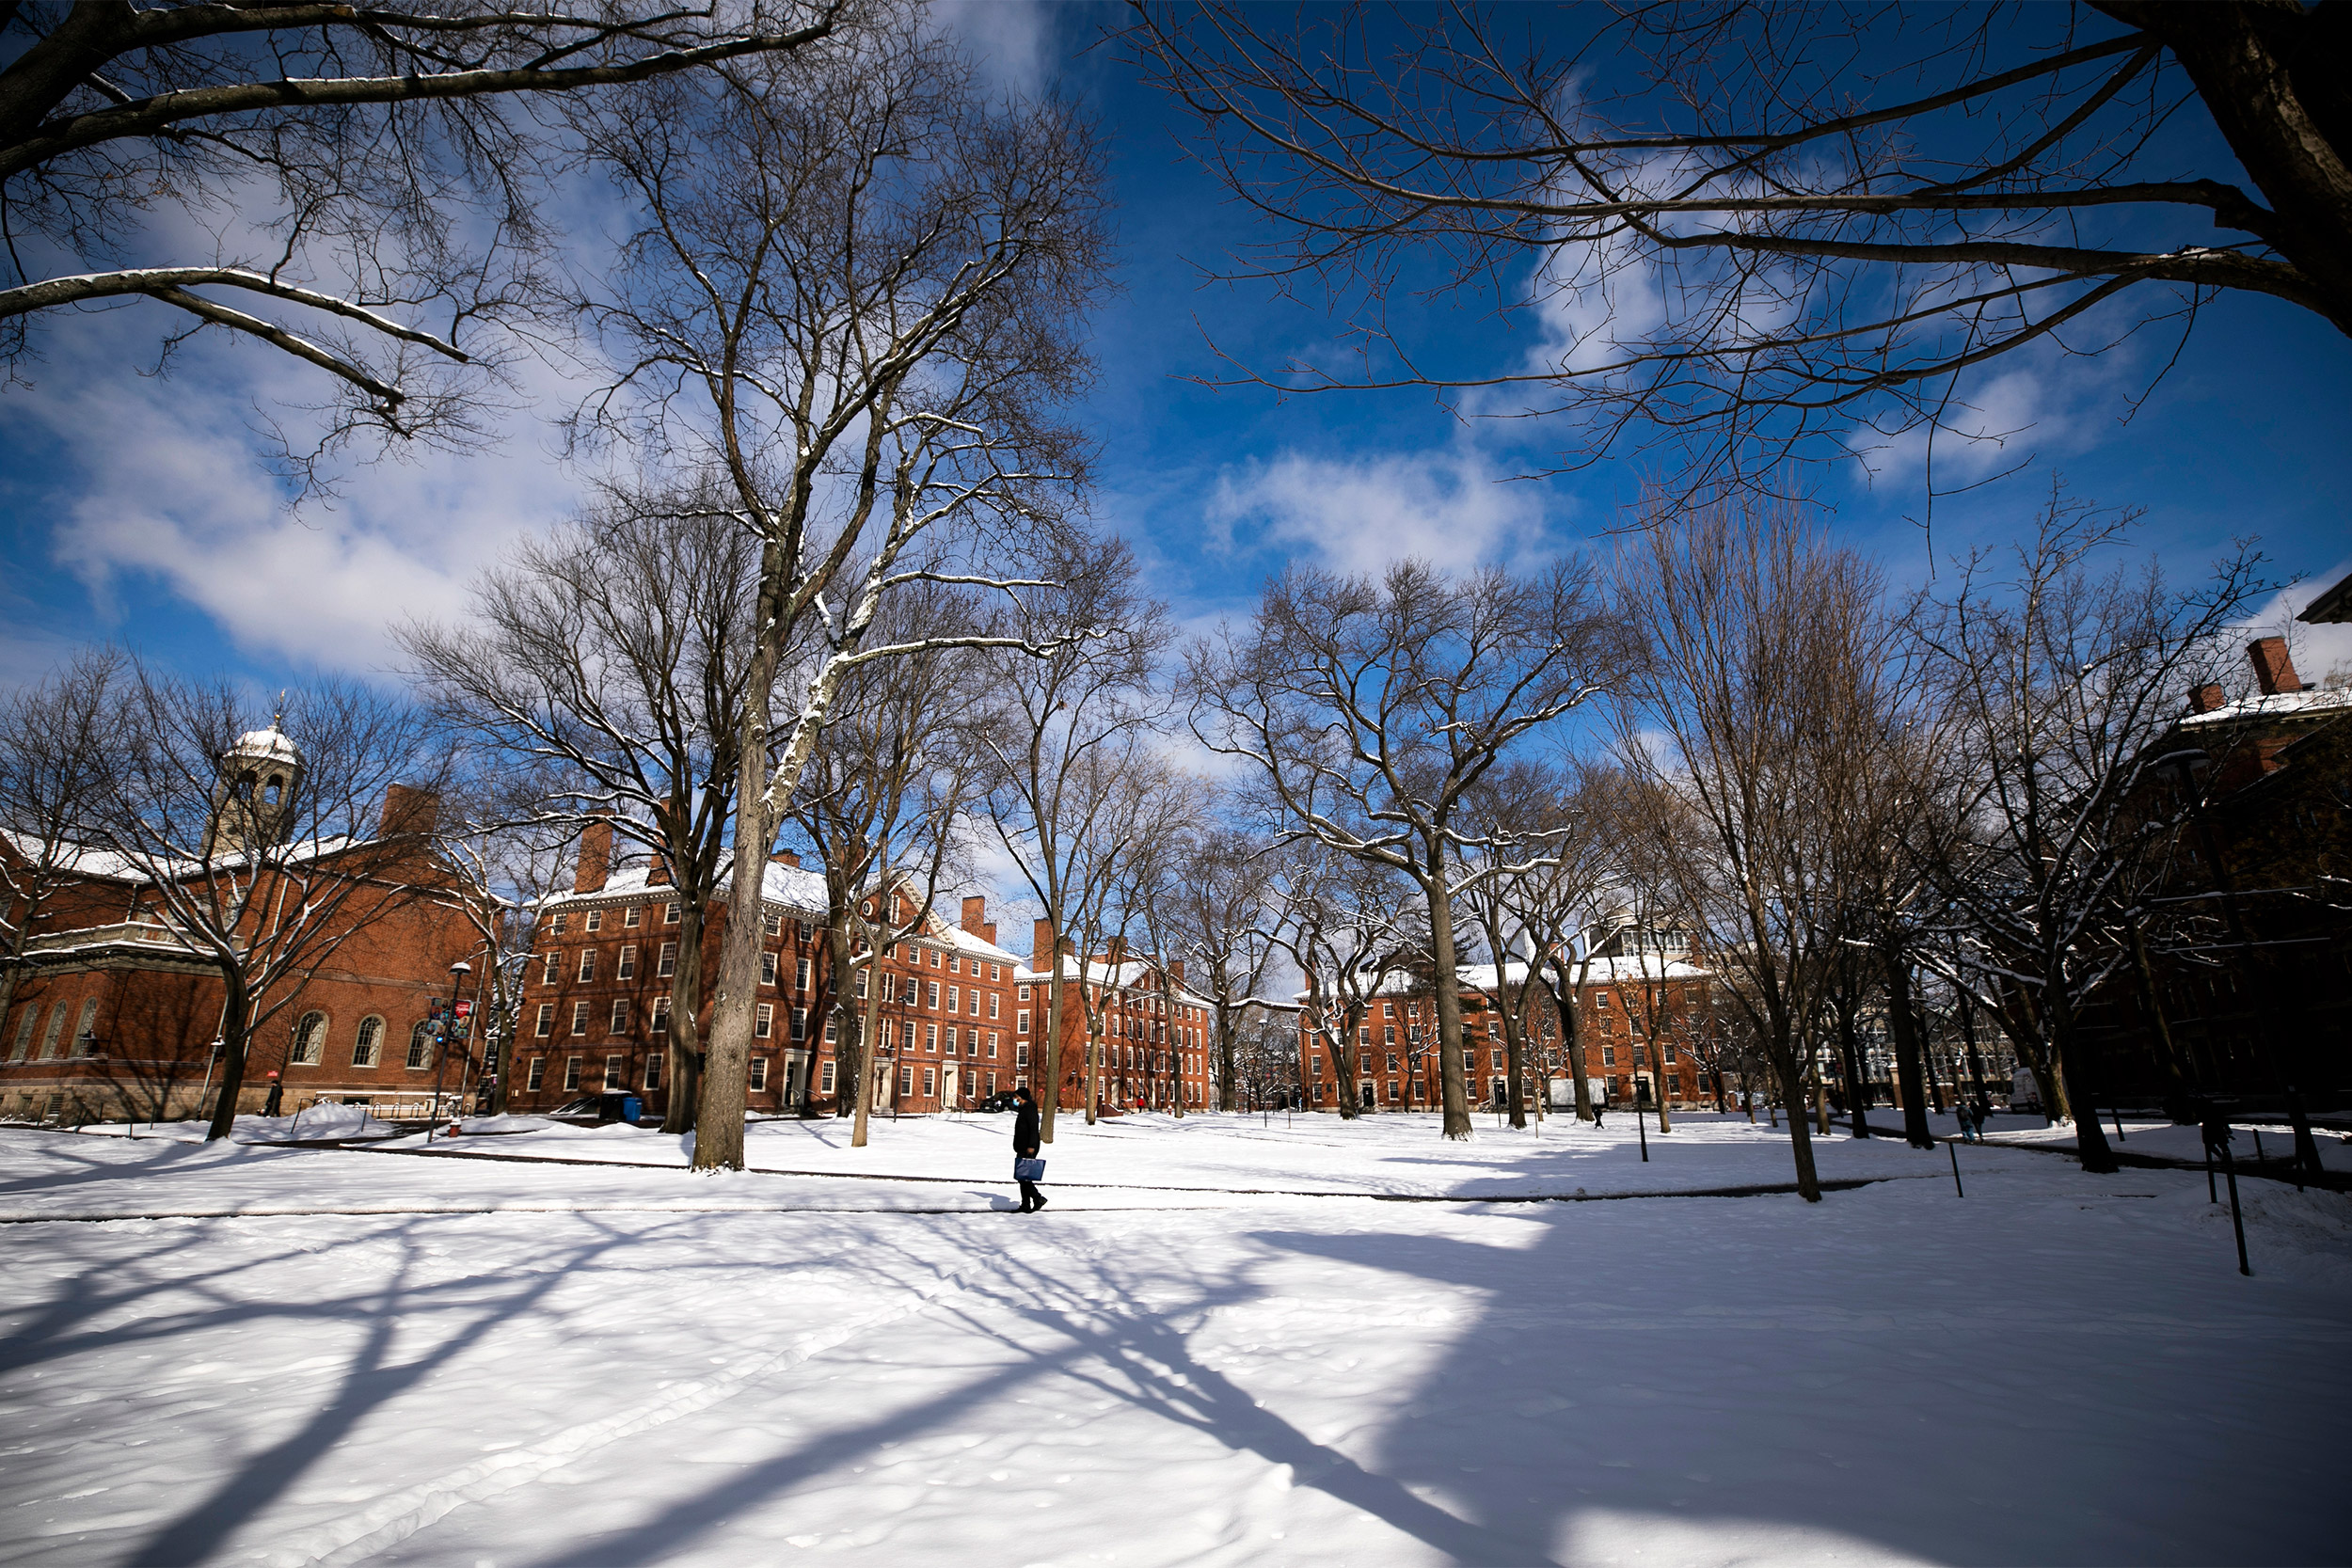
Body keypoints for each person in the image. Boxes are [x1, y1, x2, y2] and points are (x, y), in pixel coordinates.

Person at [1012, 1085, 1046, 1213]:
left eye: (1016, 1097)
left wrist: (1031, 1146)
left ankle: (1038, 1198)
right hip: (1022, 1146)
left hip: (1028, 1147)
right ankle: (1025, 1204)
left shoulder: (1030, 1110)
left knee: (1023, 1178)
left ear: (1023, 1098)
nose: (1015, 1099)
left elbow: (1033, 1129)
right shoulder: (1023, 1109)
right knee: (1022, 1177)